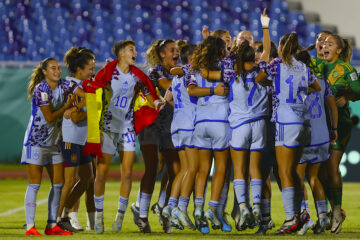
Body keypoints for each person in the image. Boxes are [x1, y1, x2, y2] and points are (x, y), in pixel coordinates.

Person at [89, 40, 161, 234]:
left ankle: (120, 215)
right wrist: (95, 131)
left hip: (127, 128)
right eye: (131, 50)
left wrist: (156, 102)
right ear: (121, 54)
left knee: (127, 173)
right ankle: (99, 216)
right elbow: (93, 95)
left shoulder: (137, 76)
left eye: (135, 50)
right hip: (107, 128)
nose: (135, 53)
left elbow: (149, 92)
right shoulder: (107, 73)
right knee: (101, 173)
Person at [256, 33, 321, 234]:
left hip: (285, 119)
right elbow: (316, 87)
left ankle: (290, 218)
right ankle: (302, 214)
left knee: (284, 172)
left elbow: (260, 79)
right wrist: (299, 91)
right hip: (303, 119)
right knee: (295, 171)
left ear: (282, 47)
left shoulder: (276, 63)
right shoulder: (303, 66)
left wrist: (276, 86)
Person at [22, 57, 84, 236]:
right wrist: (67, 105)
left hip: (55, 143)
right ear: (44, 72)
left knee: (59, 184)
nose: (57, 71)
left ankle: (51, 226)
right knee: (34, 185)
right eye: (53, 68)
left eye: (58, 68)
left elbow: (86, 97)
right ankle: (30, 227)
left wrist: (73, 108)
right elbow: (49, 117)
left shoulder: (65, 85)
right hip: (36, 141)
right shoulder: (41, 89)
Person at [133, 39, 180, 233]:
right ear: (162, 54)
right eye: (172, 50)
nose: (176, 53)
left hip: (169, 125)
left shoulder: (179, 70)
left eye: (177, 50)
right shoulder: (156, 71)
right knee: (152, 168)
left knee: (175, 170)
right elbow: (168, 85)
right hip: (150, 125)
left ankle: (162, 207)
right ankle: (142, 214)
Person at [187, 36, 230, 234]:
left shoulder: (195, 67)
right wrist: (215, 89)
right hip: (220, 121)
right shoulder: (226, 66)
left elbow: (191, 90)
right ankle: (212, 209)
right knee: (220, 167)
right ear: (221, 52)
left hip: (200, 122)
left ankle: (197, 209)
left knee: (202, 169)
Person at [295, 50, 338, 235]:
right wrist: (334, 128)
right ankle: (322, 216)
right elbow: (333, 107)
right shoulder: (321, 81)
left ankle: (307, 217)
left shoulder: (293, 81)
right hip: (322, 136)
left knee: (298, 178)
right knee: (314, 178)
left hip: (303, 136)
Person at [321, 34, 360, 234]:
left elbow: (359, 90)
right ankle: (333, 209)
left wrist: (348, 96)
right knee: (320, 173)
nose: (324, 45)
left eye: (330, 43)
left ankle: (336, 211)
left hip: (340, 124)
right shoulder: (317, 66)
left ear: (338, 50)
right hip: (319, 124)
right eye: (323, 43)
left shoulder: (347, 69)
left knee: (332, 167)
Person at [56, 47, 96, 233]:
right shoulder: (71, 84)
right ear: (79, 70)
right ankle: (57, 220)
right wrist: (92, 102)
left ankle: (64, 214)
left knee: (88, 178)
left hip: (82, 139)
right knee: (70, 181)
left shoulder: (85, 86)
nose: (93, 72)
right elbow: (75, 118)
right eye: (90, 68)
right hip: (71, 139)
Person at [161, 43, 197, 231]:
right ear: (192, 58)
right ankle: (181, 208)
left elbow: (167, 99)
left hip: (176, 125)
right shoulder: (192, 74)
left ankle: (170, 205)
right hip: (189, 124)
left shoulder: (175, 77)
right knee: (193, 168)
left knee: (183, 169)